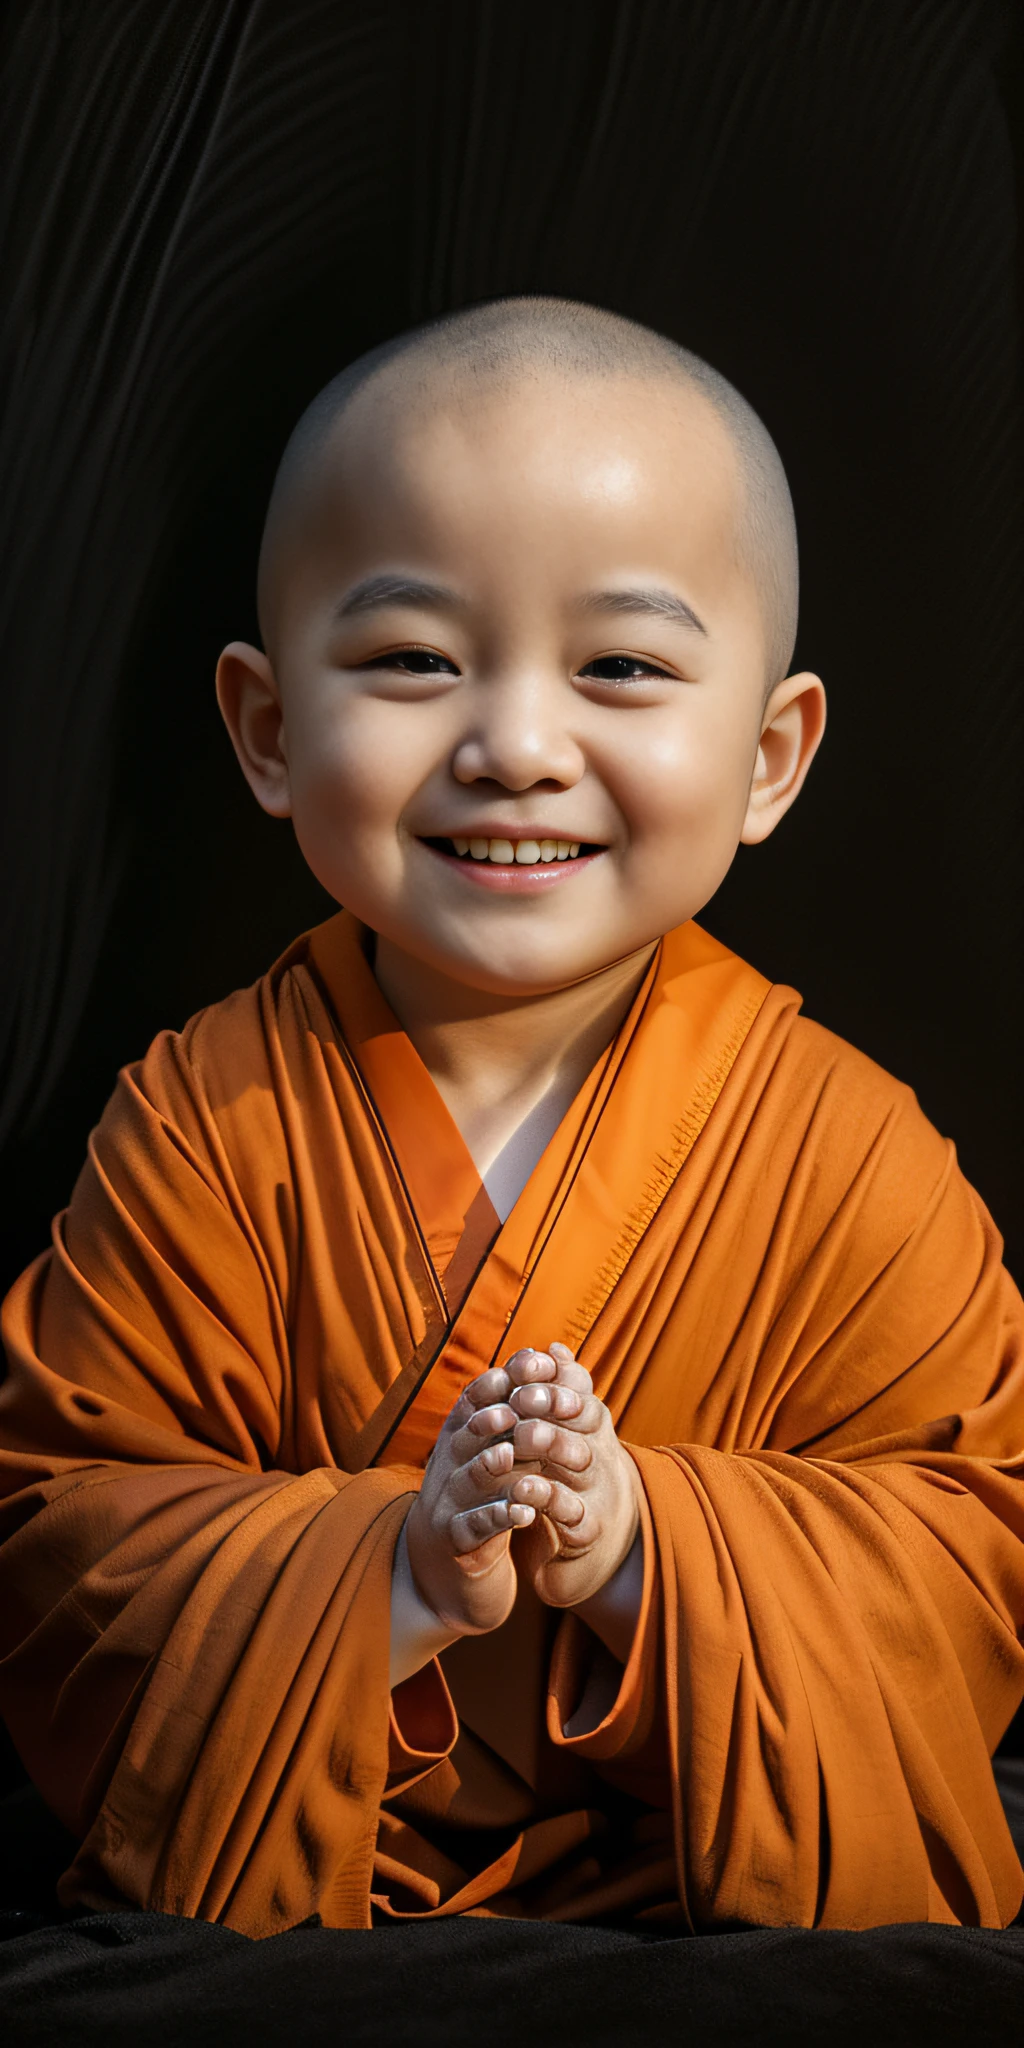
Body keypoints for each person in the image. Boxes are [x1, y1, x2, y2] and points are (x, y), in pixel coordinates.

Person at [0, 297, 1021, 1938]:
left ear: (770, 755)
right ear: (268, 730)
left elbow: (962, 1562)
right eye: (413, 660)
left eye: (620, 665)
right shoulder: (198, 1126)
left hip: (701, 1895)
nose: (517, 746)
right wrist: (397, 1576)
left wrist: (640, 1549)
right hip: (294, 1907)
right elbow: (66, 1537)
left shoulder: (857, 1161)